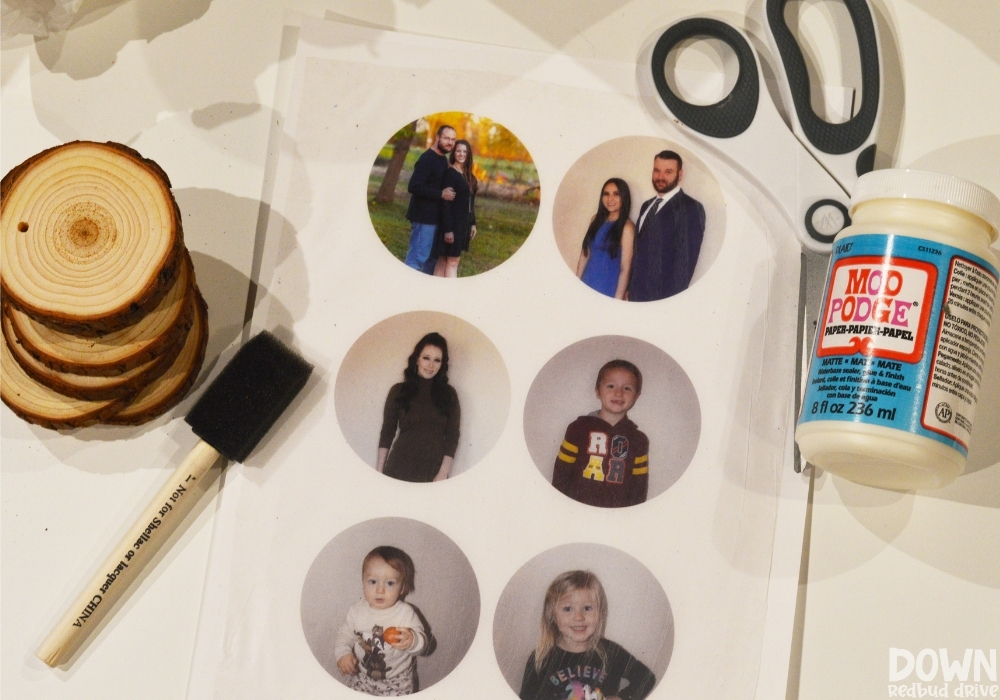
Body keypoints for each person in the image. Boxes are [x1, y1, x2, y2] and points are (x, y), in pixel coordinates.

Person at [518, 571, 656, 700]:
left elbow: (646, 678)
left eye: (587, 608)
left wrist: (621, 698)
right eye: (568, 609)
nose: (578, 617)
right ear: (552, 616)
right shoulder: (541, 659)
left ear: (600, 613)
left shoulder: (611, 652)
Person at [552, 360, 649, 508]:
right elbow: (561, 473)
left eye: (627, 388)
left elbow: (639, 487)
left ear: (636, 396)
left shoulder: (639, 440)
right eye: (611, 386)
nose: (619, 393)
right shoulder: (577, 429)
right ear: (598, 391)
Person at [334, 546, 428, 696]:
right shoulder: (356, 611)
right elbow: (344, 635)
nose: (380, 590)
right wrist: (343, 653)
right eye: (372, 582)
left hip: (398, 681)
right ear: (363, 581)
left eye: (390, 583)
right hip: (363, 677)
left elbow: (423, 645)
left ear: (402, 587)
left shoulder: (405, 613)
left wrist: (413, 640)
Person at [377, 332, 460, 482]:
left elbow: (453, 436)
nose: (430, 365)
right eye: (426, 358)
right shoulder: (398, 391)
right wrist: (379, 472)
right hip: (397, 469)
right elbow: (387, 433)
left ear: (442, 364)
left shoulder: (449, 394)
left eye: (437, 360)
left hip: (433, 473)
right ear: (417, 359)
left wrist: (443, 473)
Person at [627, 150, 706, 301]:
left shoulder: (691, 208)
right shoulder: (646, 206)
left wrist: (666, 307)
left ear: (680, 175)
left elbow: (684, 268)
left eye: (668, 172)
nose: (660, 177)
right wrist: (630, 289)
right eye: (657, 170)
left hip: (660, 301)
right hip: (635, 297)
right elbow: (639, 252)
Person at [405, 125, 457, 273]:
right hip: (423, 218)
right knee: (417, 258)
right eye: (446, 138)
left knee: (430, 261)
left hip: (435, 219)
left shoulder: (442, 159)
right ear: (437, 137)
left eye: (453, 139)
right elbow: (414, 186)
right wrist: (440, 194)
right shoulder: (427, 159)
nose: (450, 142)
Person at [576, 178, 635, 299]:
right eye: (606, 194)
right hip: (587, 280)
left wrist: (617, 300)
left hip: (607, 287)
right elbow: (585, 254)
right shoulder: (595, 220)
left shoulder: (627, 227)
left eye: (616, 194)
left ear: (624, 197)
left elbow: (625, 269)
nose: (610, 199)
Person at [432, 139, 478, 278]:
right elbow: (445, 204)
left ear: (469, 154)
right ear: (454, 153)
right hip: (452, 225)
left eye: (465, 151)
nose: (461, 154)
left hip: (463, 225)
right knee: (452, 261)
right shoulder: (451, 174)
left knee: (444, 260)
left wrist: (473, 223)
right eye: (458, 151)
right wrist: (448, 230)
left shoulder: (470, 176)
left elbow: (471, 203)